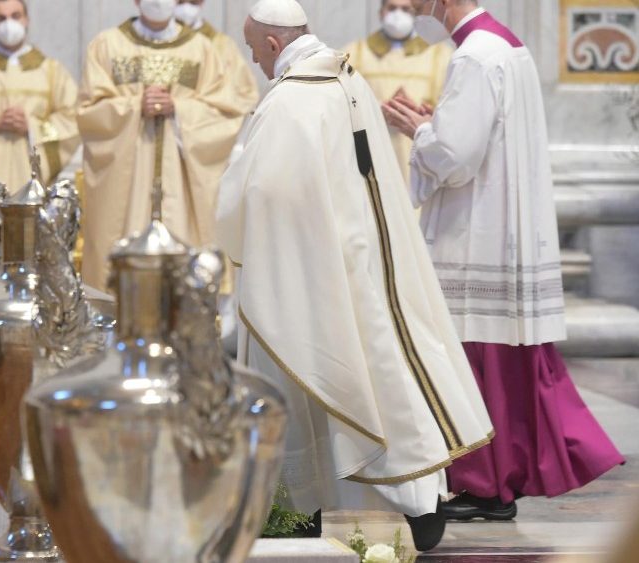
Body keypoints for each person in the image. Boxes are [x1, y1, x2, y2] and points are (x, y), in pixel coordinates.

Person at [216, 0, 494, 551]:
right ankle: (421, 505)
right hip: (360, 264)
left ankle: (292, 518)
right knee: (381, 376)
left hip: (300, 276)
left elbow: (264, 192)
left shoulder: (292, 101)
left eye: (253, 49)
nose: (254, 61)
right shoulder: (346, 79)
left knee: (292, 384)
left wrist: (234, 219)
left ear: (274, 44)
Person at [383, 0, 624, 521]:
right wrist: (437, 126)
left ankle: (484, 483)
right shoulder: (506, 46)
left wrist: (419, 133)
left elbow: (456, 156)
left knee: (472, 359)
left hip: (475, 234)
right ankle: (493, 483)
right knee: (496, 360)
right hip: (499, 228)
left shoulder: (473, 55)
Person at [78, 0, 244, 290]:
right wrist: (133, 107)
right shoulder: (107, 46)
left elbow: (226, 112)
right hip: (126, 184)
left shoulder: (202, 49)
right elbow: (88, 111)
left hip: (180, 183)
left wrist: (178, 108)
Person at [0, 0, 79, 188]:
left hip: (33, 182)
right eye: (1, 18)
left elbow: (72, 121)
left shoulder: (52, 71)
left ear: (27, 20)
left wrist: (32, 127)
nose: (8, 24)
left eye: (15, 16)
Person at [342, 0, 450, 184]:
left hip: (416, 151)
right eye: (392, 8)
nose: (398, 14)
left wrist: (418, 111)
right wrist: (377, 108)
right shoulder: (355, 53)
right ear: (381, 12)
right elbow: (339, 100)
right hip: (371, 148)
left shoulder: (440, 55)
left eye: (405, 9)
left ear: (417, 13)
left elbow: (451, 110)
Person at [173, 0, 259, 114]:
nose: (186, 7)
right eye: (180, 2)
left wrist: (181, 106)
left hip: (205, 125)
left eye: (193, 2)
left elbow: (243, 96)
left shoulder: (223, 46)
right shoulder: (151, 43)